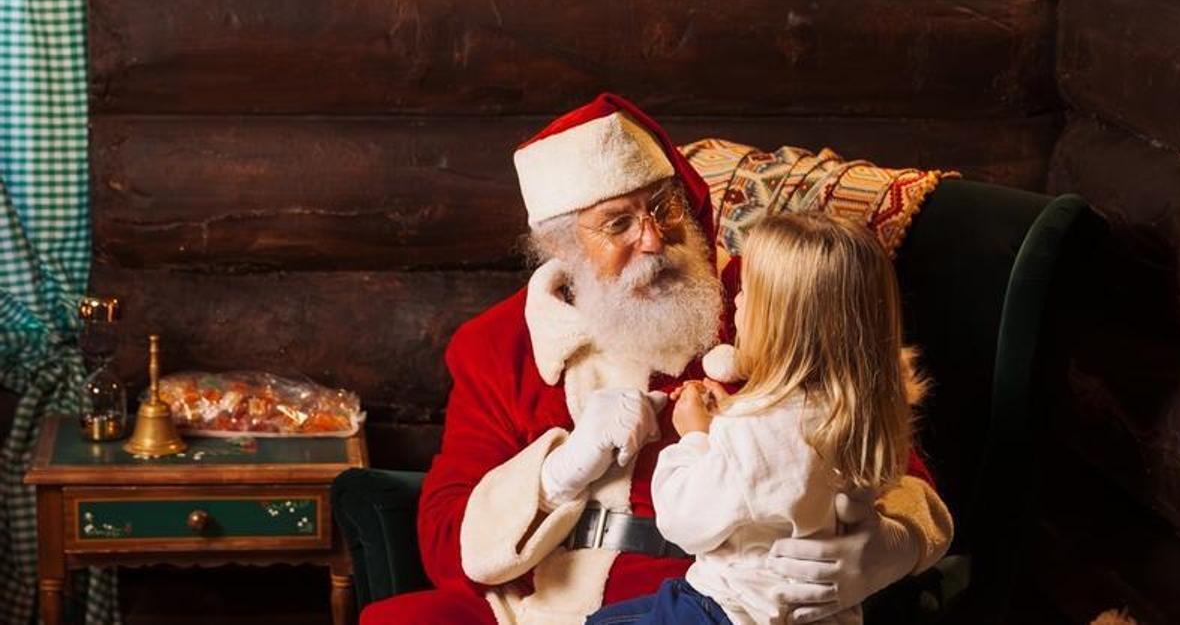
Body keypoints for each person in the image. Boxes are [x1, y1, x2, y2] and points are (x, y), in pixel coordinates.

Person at [355, 93, 953, 625]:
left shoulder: (760, 303)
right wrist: (558, 471)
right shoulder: (498, 344)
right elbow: (443, 541)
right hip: (549, 602)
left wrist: (889, 548)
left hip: (732, 599)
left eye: (663, 207)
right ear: (562, 245)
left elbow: (888, 455)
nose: (653, 239)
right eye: (617, 223)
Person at [586, 212, 924, 625]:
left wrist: (696, 437)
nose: (738, 300)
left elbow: (684, 520)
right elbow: (784, 470)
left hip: (726, 610)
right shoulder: (863, 414)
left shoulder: (752, 430)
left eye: (747, 291)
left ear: (780, 321)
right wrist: (733, 418)